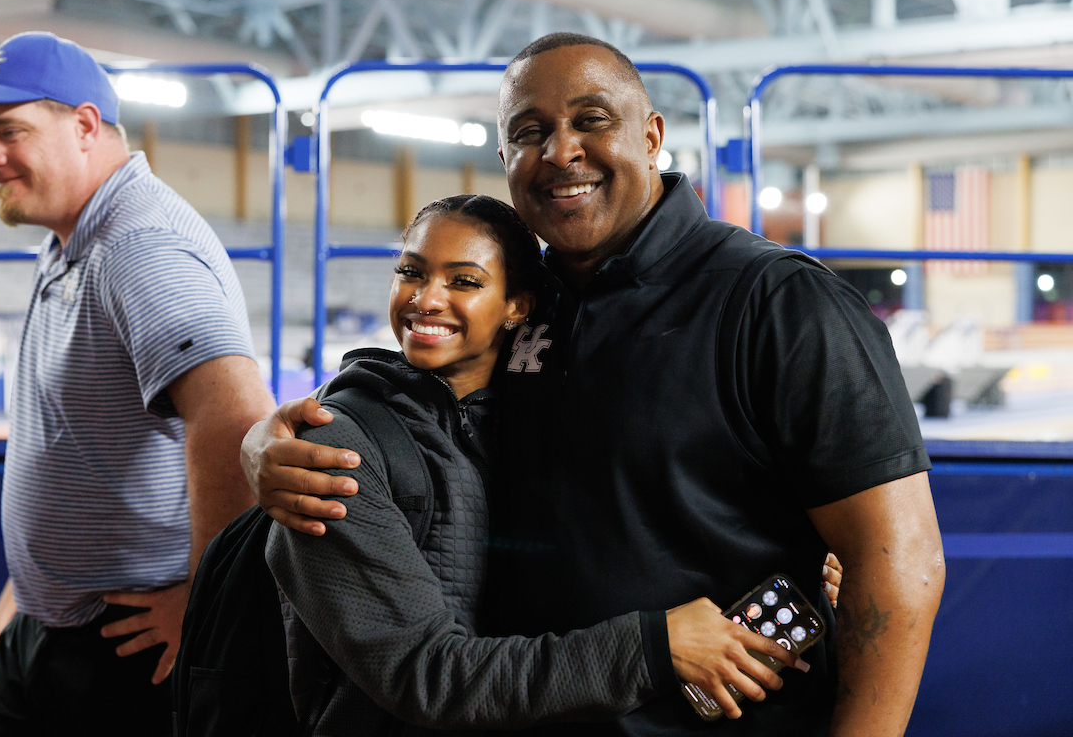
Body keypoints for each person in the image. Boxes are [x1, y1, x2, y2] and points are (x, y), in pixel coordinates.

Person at [243, 32, 944, 737]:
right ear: (505, 159)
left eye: (591, 120)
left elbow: (900, 563)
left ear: (652, 136)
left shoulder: (780, 303)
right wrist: (264, 443)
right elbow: (414, 390)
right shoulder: (524, 303)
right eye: (529, 132)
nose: (560, 151)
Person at [270, 194, 827, 734]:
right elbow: (426, 677)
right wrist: (658, 646)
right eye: (411, 272)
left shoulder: (527, 418)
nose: (426, 298)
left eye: (463, 281)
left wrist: (809, 556)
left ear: (518, 306)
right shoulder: (333, 449)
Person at [0, 31, 275, 736]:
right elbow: (73, 460)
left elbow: (237, 422)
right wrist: (11, 611)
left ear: (85, 125)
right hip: (45, 632)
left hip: (122, 647)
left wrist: (202, 604)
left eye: (9, 132)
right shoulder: (71, 239)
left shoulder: (139, 244)